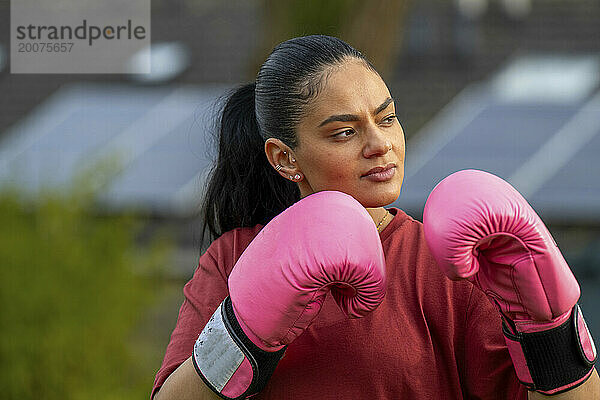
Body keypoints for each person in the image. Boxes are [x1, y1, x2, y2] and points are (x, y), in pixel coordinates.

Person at [151, 35, 598, 399]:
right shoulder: (232, 256)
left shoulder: (451, 263)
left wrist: (549, 327)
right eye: (345, 132)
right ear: (285, 158)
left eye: (387, 119)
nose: (379, 144)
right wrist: (242, 334)